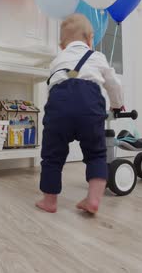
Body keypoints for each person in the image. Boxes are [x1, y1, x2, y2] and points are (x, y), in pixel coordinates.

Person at [36, 14, 124, 214]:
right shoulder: (98, 57)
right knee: (96, 153)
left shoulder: (58, 59)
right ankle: (93, 199)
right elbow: (113, 84)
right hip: (89, 105)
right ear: (90, 38)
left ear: (62, 44)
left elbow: (51, 87)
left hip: (59, 106)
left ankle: (49, 201)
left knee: (52, 156)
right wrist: (117, 105)